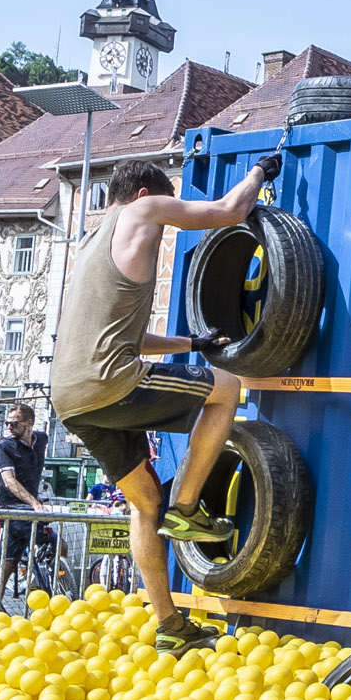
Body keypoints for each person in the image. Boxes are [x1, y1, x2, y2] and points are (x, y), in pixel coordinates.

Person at [55, 157, 283, 650]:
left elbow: (130, 337)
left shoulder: (92, 242)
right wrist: (260, 172)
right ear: (144, 195)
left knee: (143, 503)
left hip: (71, 397)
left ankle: (169, 626)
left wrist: (192, 344)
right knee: (227, 389)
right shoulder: (144, 210)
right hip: (110, 382)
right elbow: (229, 210)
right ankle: (186, 507)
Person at [0, 402, 51, 604]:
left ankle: (50, 585)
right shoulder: (5, 446)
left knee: (59, 546)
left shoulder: (41, 439)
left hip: (31, 507)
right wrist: (33, 502)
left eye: (13, 423)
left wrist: (35, 499)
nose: (9, 427)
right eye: (7, 423)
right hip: (12, 508)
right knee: (8, 562)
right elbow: (8, 481)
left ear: (29, 423)